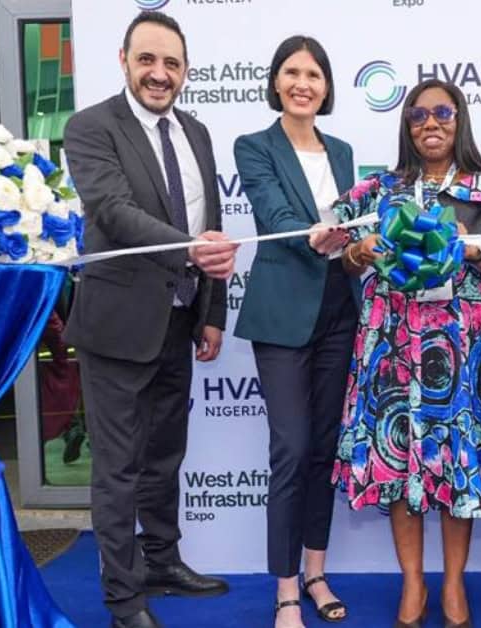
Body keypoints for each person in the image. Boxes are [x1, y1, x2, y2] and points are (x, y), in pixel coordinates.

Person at [62, 11, 239, 628]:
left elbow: (212, 225)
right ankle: (123, 599)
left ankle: (163, 563)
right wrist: (189, 250)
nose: (159, 74)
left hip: (179, 321)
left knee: (165, 454)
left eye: (171, 63)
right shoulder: (90, 127)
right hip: (116, 326)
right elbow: (112, 211)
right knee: (118, 468)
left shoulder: (197, 131)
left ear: (185, 71)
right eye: (147, 60)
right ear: (124, 61)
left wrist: (211, 312)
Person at [331, 79, 481, 628]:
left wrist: (470, 245)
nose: (430, 123)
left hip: (461, 340)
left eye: (442, 111)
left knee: (457, 458)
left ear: (460, 118)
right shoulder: (378, 189)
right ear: (407, 125)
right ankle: (413, 583)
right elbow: (339, 252)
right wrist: (358, 249)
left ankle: (454, 584)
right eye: (418, 115)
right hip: (392, 341)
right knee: (398, 458)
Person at [233, 35, 357, 628]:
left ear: (326, 87)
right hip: (283, 311)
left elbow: (352, 223)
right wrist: (314, 235)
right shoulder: (253, 146)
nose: (302, 84)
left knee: (325, 449)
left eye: (313, 75)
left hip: (340, 308)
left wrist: (359, 242)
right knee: (291, 450)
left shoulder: (343, 151)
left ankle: (316, 572)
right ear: (276, 82)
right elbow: (273, 212)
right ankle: (285, 591)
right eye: (292, 73)